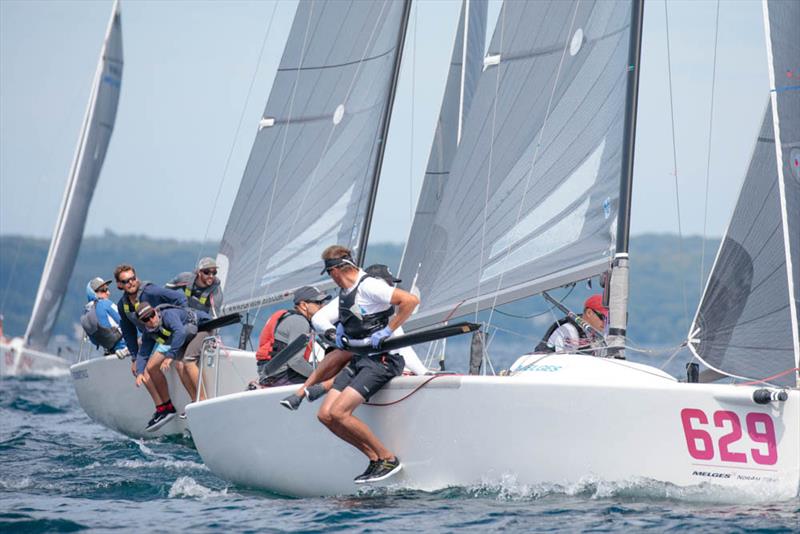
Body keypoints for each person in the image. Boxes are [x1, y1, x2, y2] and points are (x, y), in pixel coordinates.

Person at [313, 246, 419, 484]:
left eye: (329, 274)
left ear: (337, 270)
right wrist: (337, 330)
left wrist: (388, 330)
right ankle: (375, 459)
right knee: (325, 415)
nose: (330, 279)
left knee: (339, 412)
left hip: (382, 359)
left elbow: (410, 301)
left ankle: (388, 458)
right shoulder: (345, 290)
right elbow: (324, 318)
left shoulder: (369, 285)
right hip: (360, 358)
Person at [280, 264, 429, 411]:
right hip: (352, 355)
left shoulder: (383, 312)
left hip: (362, 359)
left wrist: (424, 373)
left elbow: (402, 346)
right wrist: (335, 333)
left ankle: (319, 388)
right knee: (347, 354)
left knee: (354, 358)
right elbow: (318, 319)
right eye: (388, 284)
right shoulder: (354, 296)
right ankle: (308, 390)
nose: (391, 289)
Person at [114, 264, 188, 431]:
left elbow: (180, 298)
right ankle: (162, 408)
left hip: (169, 333)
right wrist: (134, 357)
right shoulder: (123, 305)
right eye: (126, 281)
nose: (131, 283)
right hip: (151, 338)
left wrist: (179, 320)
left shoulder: (150, 291)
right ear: (119, 285)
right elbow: (128, 332)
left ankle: (167, 407)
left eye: (133, 278)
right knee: (138, 368)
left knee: (148, 368)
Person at [135, 302, 212, 430]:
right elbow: (143, 353)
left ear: (155, 311)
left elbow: (180, 332)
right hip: (189, 336)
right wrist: (139, 372)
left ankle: (203, 401)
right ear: (142, 322)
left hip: (203, 328)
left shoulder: (168, 315)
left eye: (152, 315)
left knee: (188, 361)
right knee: (179, 365)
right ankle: (195, 401)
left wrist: (169, 356)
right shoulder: (149, 332)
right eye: (145, 319)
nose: (151, 320)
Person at [253, 286, 329, 387]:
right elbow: (295, 361)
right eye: (318, 303)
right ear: (303, 305)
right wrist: (320, 376)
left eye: (323, 302)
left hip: (270, 373)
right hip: (281, 376)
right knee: (330, 379)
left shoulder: (291, 318)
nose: (323, 306)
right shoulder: (300, 322)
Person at [534, 294, 607, 354]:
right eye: (603, 318)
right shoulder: (569, 331)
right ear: (589, 313)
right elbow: (565, 364)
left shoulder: (598, 334)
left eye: (608, 319)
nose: (606, 323)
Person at [80, 277, 126, 355]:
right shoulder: (105, 303)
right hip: (125, 348)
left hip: (111, 352)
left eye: (107, 289)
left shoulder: (86, 314)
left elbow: (94, 341)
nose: (108, 293)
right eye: (104, 290)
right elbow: (126, 321)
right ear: (94, 293)